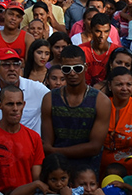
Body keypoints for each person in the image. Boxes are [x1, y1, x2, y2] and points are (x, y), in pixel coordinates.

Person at [42, 44, 111, 174]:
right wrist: (53, 151)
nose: (72, 73)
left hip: (87, 173)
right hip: (58, 172)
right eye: (67, 69)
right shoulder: (49, 99)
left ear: (85, 67)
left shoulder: (101, 101)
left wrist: (55, 151)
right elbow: (47, 144)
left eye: (77, 68)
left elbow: (94, 147)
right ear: (62, 69)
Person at [0, 84, 45, 195]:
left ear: (24, 105)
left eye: (19, 104)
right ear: (0, 105)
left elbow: (36, 177)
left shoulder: (34, 137)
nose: (15, 109)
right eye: (10, 104)